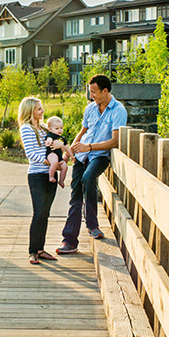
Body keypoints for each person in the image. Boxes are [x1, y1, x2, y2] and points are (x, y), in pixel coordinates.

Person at [56, 74, 127, 254]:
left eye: (94, 92)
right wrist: (67, 154)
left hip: (100, 155)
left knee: (88, 178)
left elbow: (115, 141)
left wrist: (90, 147)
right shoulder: (90, 108)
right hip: (81, 156)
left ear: (105, 91)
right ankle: (69, 241)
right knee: (75, 195)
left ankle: (92, 224)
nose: (91, 96)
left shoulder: (118, 110)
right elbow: (82, 133)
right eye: (90, 92)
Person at [17, 96, 58, 265]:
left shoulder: (43, 128)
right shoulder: (27, 129)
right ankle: (32, 251)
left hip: (50, 174)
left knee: (45, 214)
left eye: (42, 108)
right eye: (39, 109)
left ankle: (40, 249)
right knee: (39, 213)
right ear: (30, 111)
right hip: (37, 175)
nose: (42, 111)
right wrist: (50, 162)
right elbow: (31, 154)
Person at [43, 115, 73, 188]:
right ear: (50, 129)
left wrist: (72, 156)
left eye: (61, 128)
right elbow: (49, 139)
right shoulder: (51, 135)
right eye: (56, 128)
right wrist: (48, 142)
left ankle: (61, 181)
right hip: (51, 154)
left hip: (59, 156)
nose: (59, 130)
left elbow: (67, 148)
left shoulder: (62, 138)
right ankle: (51, 176)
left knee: (65, 167)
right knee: (55, 162)